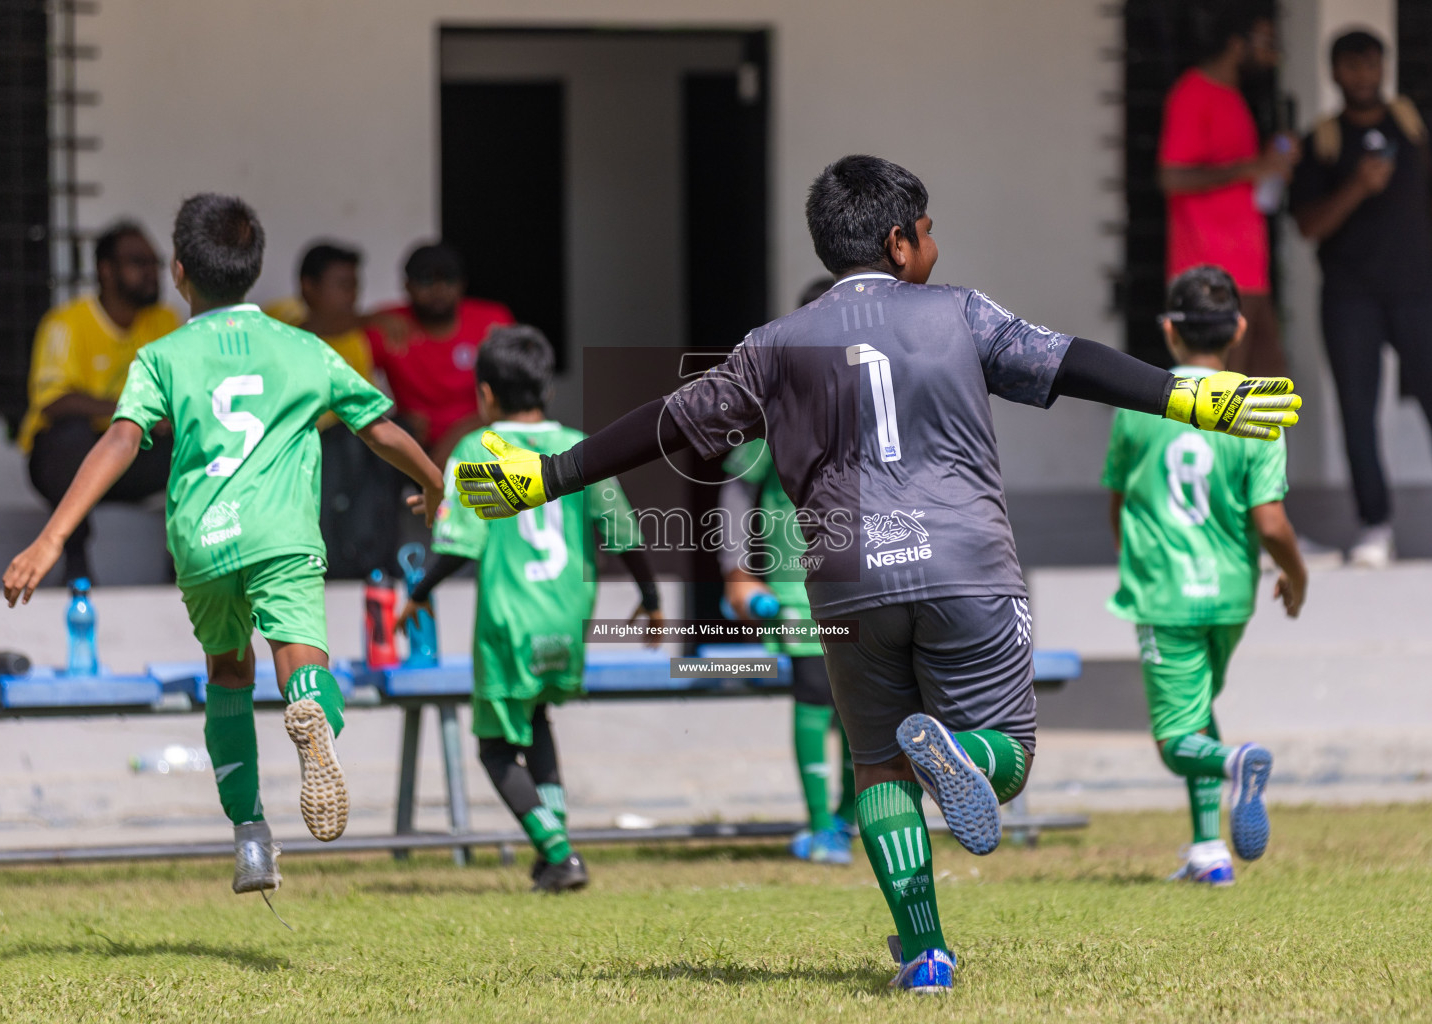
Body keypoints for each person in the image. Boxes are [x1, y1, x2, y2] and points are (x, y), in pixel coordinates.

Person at [453, 155, 1302, 991]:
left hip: (848, 581)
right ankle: (961, 756)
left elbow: (667, 424)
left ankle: (927, 952)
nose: (936, 244)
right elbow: (1072, 360)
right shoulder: (959, 314)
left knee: (877, 768)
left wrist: (548, 476)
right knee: (1007, 757)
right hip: (967, 566)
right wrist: (1187, 395)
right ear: (900, 242)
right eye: (929, 230)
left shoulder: (772, 345)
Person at [2, 194, 445, 897]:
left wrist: (53, 536)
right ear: (255, 268)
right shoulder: (305, 348)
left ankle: (250, 838)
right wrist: (433, 480)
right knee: (302, 663)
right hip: (282, 537)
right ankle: (310, 714)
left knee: (229, 678)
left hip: (204, 543)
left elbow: (121, 438)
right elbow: (379, 426)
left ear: (180, 272)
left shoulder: (162, 355)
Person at [398, 325, 660, 892]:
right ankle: (551, 855)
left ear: (485, 394)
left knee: (494, 747)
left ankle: (559, 851)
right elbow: (623, 532)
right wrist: (653, 598)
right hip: (568, 619)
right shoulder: (581, 444)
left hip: (509, 622)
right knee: (537, 719)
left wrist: (416, 594)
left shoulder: (477, 448)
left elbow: (457, 546)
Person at [1103, 265, 1304, 885]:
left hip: (1164, 594)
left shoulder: (1139, 402)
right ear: (1240, 328)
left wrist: (1134, 558)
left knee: (1174, 741)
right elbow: (1270, 523)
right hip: (1229, 594)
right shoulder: (1258, 405)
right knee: (1197, 709)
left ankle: (1239, 761)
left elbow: (1117, 500)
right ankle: (1206, 851)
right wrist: (1296, 575)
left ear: (1168, 330)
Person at [1290, 29, 1432, 567]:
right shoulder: (1322, 142)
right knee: (1357, 412)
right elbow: (1309, 225)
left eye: (1371, 65)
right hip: (1350, 298)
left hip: (1422, 293)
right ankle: (1376, 525)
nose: (1362, 76)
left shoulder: (1418, 131)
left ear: (1384, 67)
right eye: (1351, 67)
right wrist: (1357, 186)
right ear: (1334, 73)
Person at [719, 276, 856, 866]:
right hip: (800, 592)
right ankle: (825, 824)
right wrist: (736, 572)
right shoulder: (775, 411)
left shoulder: (877, 400)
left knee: (866, 709)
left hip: (867, 584)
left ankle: (853, 820)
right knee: (818, 699)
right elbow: (735, 489)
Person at [19, 222, 180, 583]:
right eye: (138, 262)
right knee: (68, 434)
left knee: (195, 441)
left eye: (155, 263)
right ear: (106, 270)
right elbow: (52, 402)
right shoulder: (67, 323)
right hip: (69, 462)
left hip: (135, 457)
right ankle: (75, 567)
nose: (151, 273)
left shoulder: (164, 321)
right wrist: (133, 410)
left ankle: (186, 568)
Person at [1158, 2, 1295, 379]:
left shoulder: (1235, 97)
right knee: (1221, 397)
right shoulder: (1193, 93)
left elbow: (1244, 179)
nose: (1273, 51)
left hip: (1249, 271)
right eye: (1265, 40)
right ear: (1238, 44)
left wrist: (1271, 165)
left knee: (1267, 387)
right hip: (1210, 274)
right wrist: (1253, 167)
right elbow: (1172, 177)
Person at [283, 242, 402, 578]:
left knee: (387, 439)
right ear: (309, 287)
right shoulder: (281, 322)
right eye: (343, 285)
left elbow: (365, 404)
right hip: (303, 448)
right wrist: (368, 318)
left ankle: (378, 563)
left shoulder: (355, 338)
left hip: (352, 448)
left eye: (356, 285)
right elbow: (311, 329)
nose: (353, 295)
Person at [367, 243, 515, 464]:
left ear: (463, 283)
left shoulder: (492, 321)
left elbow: (515, 398)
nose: (438, 290)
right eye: (426, 280)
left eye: (449, 279)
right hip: (413, 450)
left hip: (486, 444)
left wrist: (459, 435)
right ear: (407, 286)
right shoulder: (389, 326)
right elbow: (335, 371)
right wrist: (388, 421)